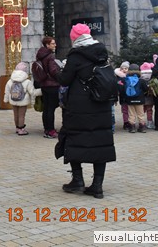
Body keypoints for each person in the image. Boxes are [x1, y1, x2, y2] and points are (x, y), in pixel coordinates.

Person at [55, 24, 116, 199]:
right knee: (101, 143)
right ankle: (97, 186)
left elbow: (65, 80)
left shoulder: (76, 55)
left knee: (73, 140)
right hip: (101, 105)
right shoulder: (101, 52)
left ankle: (77, 180)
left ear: (74, 38)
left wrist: (57, 71)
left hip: (79, 107)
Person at [34, 36, 61, 139]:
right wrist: (60, 76)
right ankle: (51, 131)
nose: (55, 45)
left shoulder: (40, 54)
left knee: (46, 108)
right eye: (53, 43)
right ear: (47, 45)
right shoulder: (50, 56)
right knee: (51, 108)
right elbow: (53, 71)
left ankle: (47, 129)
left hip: (44, 84)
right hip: (52, 85)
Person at [3, 62, 38, 135]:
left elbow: (7, 91)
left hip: (13, 99)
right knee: (21, 115)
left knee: (15, 115)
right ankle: (21, 129)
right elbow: (32, 92)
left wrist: (6, 100)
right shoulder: (27, 81)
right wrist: (41, 91)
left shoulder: (10, 81)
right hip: (23, 101)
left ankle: (17, 128)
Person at [119, 64, 148, 133]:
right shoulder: (141, 80)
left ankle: (132, 128)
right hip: (140, 99)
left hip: (129, 100)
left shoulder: (125, 80)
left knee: (131, 114)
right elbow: (146, 89)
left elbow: (122, 90)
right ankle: (142, 127)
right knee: (141, 114)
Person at [139, 62, 155, 129]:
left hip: (142, 98)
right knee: (149, 110)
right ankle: (150, 123)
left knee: (142, 111)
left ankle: (142, 123)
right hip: (150, 97)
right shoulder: (152, 79)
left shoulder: (140, 79)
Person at [115, 61, 130, 130]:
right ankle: (126, 123)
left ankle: (131, 122)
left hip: (130, 97)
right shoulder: (118, 78)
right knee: (125, 111)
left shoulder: (130, 77)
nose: (124, 70)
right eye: (122, 68)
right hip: (123, 97)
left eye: (126, 68)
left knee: (130, 111)